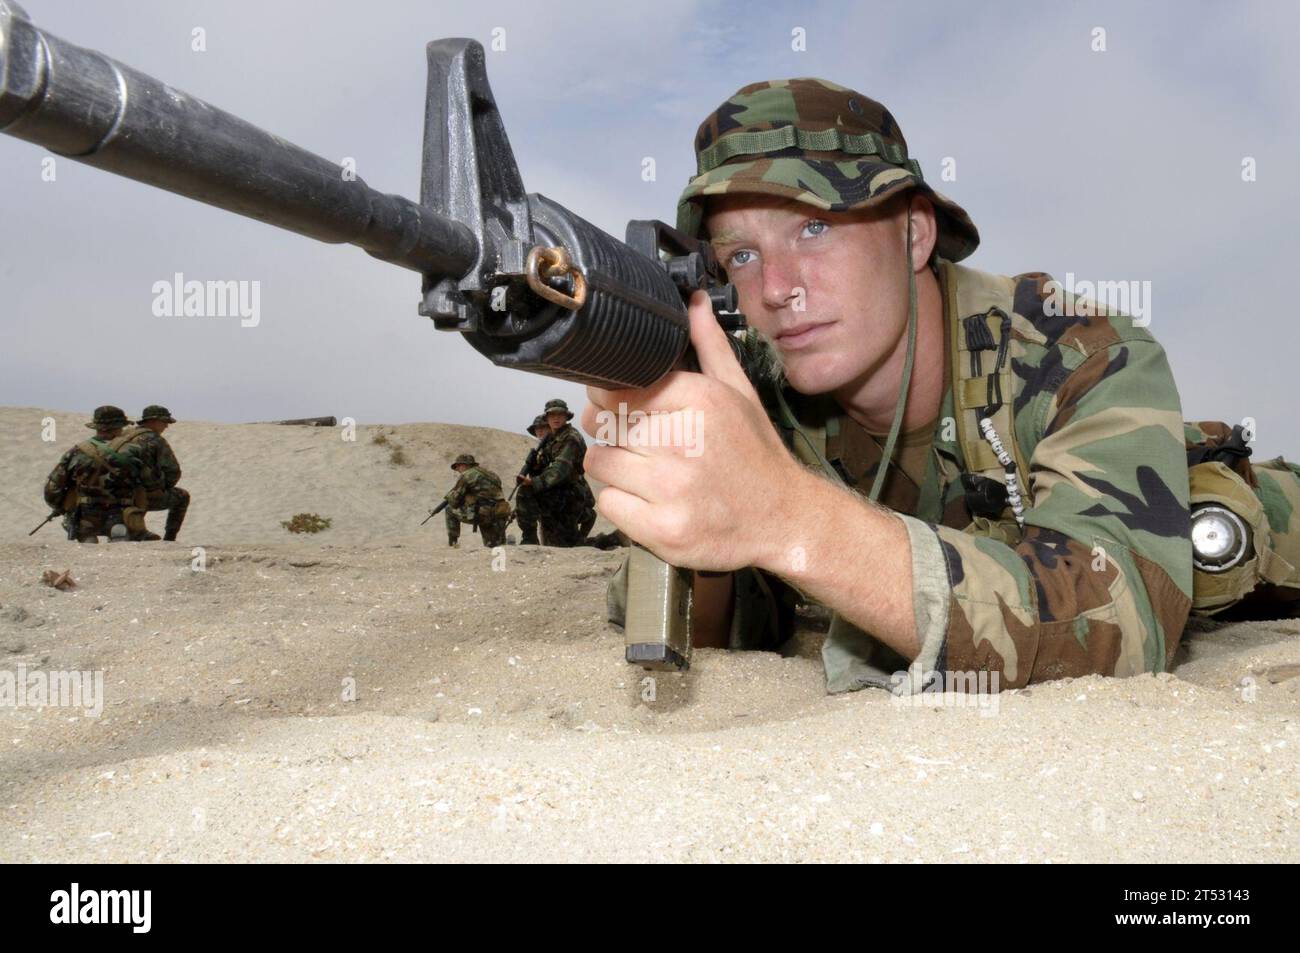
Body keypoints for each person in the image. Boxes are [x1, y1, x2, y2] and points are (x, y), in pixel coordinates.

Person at [590, 78, 1300, 694]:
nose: (776, 289)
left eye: (814, 228)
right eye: (740, 254)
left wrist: (789, 517)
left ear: (915, 233)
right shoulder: (758, 399)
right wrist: (698, 518)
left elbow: (1118, 622)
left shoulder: (1074, 350)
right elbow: (733, 623)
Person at [42, 405, 152, 542]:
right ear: (120, 427)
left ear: (96, 427)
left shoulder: (77, 451)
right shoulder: (136, 451)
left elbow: (53, 488)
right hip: (124, 514)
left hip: (86, 515)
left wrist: (61, 507)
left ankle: (88, 538)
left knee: (88, 548)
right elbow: (151, 482)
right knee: (122, 549)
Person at [519, 399, 597, 547]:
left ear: (566, 417)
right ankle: (529, 539)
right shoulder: (551, 440)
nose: (556, 418)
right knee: (560, 544)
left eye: (560, 415)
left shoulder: (571, 437)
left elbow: (560, 470)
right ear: (547, 418)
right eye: (552, 415)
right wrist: (534, 467)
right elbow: (545, 468)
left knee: (568, 545)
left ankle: (610, 539)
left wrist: (534, 482)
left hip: (570, 495)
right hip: (557, 493)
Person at [116, 404, 190, 541]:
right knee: (182, 496)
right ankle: (169, 539)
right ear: (154, 421)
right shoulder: (155, 440)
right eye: (164, 422)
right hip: (141, 495)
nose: (166, 426)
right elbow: (173, 471)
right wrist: (160, 487)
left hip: (112, 494)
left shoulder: (122, 435)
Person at [443, 453, 509, 548]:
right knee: (495, 547)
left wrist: (449, 496)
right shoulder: (492, 474)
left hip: (482, 515)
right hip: (501, 512)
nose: (457, 470)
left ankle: (453, 543)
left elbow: (454, 501)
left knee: (449, 509)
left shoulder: (467, 475)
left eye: (457, 467)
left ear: (463, 465)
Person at [513, 414, 553, 546]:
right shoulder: (539, 451)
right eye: (537, 428)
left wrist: (532, 482)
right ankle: (529, 538)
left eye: (543, 427)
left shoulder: (557, 446)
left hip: (561, 493)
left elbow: (556, 474)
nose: (540, 431)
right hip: (545, 492)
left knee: (565, 544)